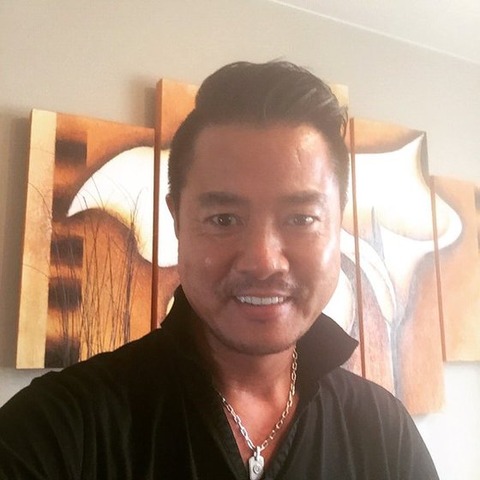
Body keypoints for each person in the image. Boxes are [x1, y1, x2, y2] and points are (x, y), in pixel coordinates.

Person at [0, 61, 439, 479]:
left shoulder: (383, 432)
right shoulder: (56, 430)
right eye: (224, 219)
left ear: (337, 221)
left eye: (301, 218)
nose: (263, 261)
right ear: (177, 220)